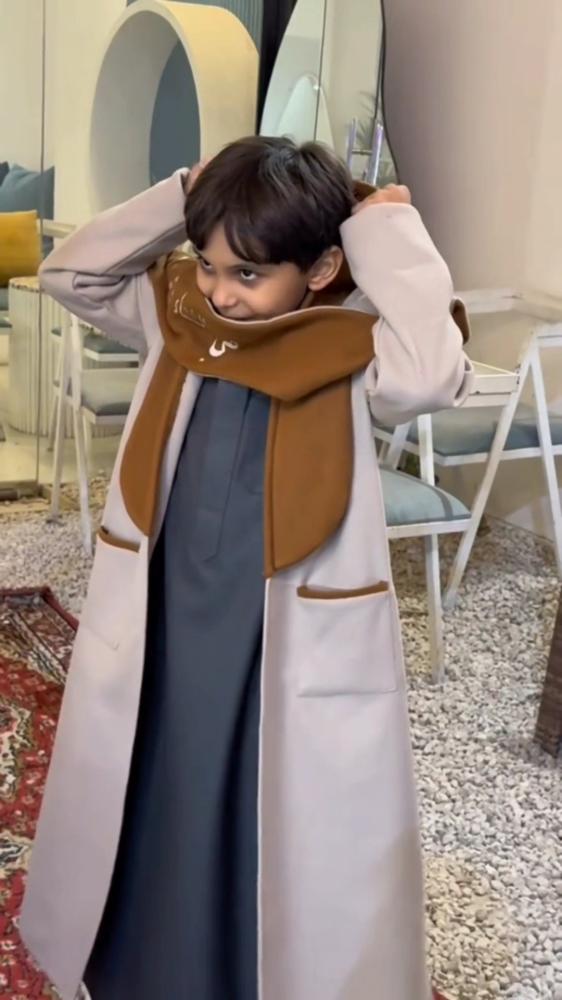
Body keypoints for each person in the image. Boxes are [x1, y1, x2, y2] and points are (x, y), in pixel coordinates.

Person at [20, 136, 473, 1000]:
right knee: (155, 773)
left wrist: (383, 224)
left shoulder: (352, 343)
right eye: (209, 263)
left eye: (250, 274)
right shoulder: (176, 313)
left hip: (279, 623)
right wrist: (186, 195)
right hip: (168, 606)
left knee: (265, 798)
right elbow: (70, 274)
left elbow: (430, 376)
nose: (222, 291)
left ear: (321, 267)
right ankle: (141, 961)